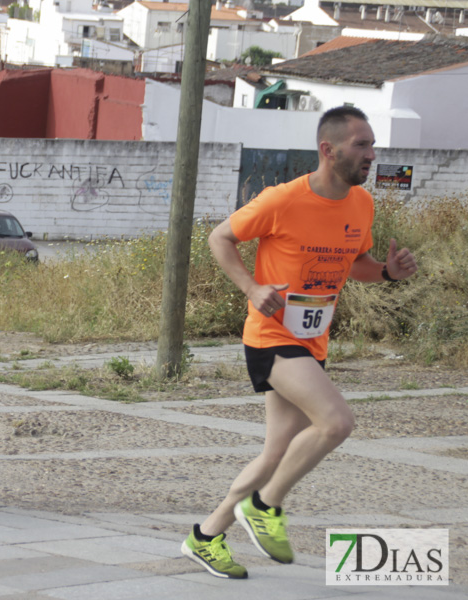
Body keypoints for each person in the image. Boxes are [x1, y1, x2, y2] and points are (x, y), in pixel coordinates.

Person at [181, 106, 418, 578]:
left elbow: (357, 265)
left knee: (277, 452)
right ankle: (264, 507)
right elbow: (219, 238)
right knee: (336, 423)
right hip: (271, 337)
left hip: (312, 342)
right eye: (362, 145)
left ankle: (205, 537)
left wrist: (388, 272)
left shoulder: (360, 205)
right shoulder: (282, 199)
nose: (372, 154)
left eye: (373, 145)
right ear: (328, 150)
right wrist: (251, 287)